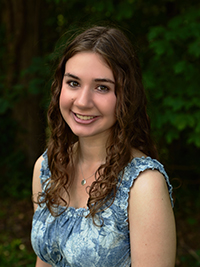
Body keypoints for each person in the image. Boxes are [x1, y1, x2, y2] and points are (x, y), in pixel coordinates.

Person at [31, 26, 176, 267]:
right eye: (74, 83)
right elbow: (45, 261)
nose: (83, 101)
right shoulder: (47, 168)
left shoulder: (143, 186)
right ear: (60, 87)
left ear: (126, 97)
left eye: (102, 87)